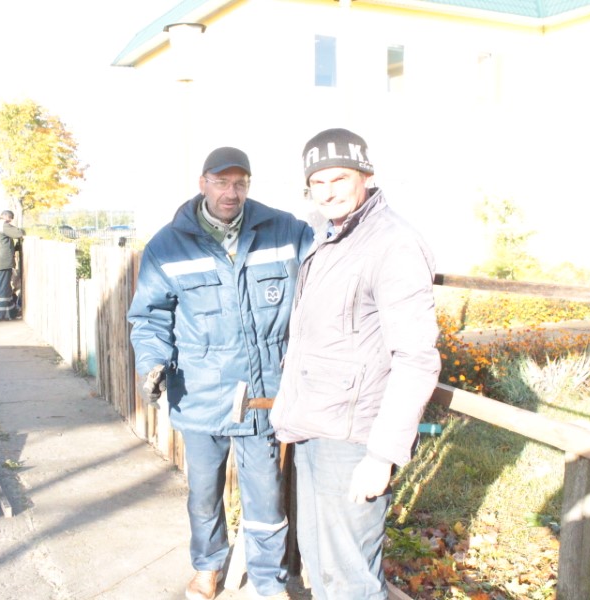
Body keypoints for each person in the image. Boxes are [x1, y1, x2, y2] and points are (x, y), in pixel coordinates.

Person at [127, 147, 313, 600]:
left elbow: (329, 271)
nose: (231, 192)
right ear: (202, 183)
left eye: (240, 183)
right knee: (204, 493)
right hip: (200, 391)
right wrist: (152, 363)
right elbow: (150, 317)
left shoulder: (284, 231)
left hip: (262, 393)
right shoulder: (168, 246)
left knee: (265, 494)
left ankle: (268, 582)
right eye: (221, 182)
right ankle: (207, 565)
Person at [271, 128, 441, 599]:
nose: (328, 192)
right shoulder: (331, 237)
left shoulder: (392, 243)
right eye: (317, 182)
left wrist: (381, 455)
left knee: (350, 581)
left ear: (366, 176)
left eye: (339, 178)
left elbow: (416, 358)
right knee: (323, 569)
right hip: (315, 428)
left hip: (352, 441)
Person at [0, 209, 25, 321]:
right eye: (10, 220)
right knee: (3, 290)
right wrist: (23, 230)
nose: (10, 222)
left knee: (6, 289)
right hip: (2, 262)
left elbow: (1, 243)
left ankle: (13, 312)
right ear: (6, 217)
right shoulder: (2, 224)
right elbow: (19, 233)